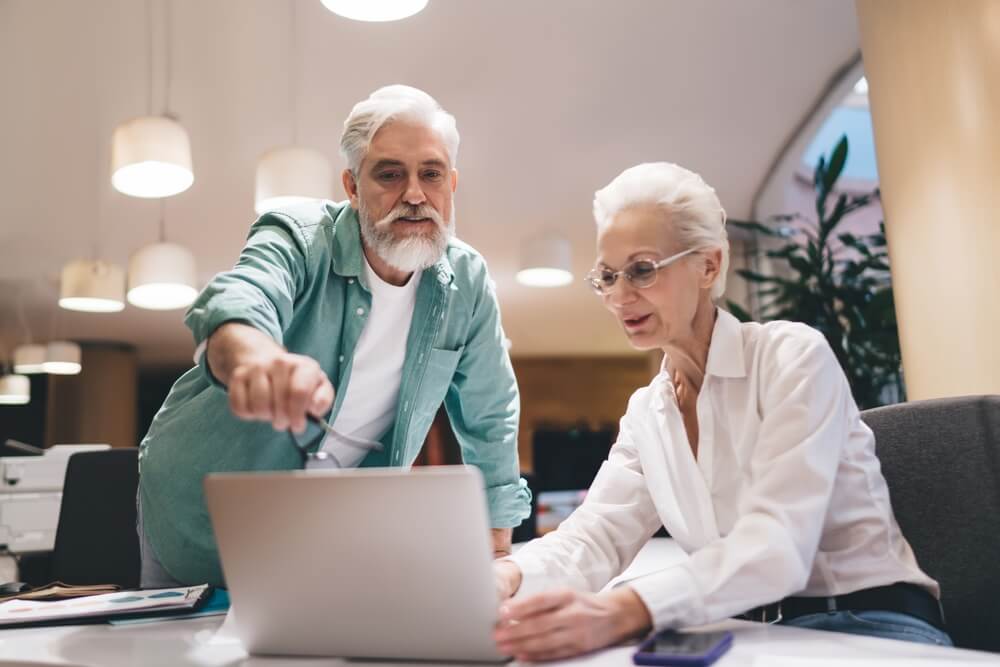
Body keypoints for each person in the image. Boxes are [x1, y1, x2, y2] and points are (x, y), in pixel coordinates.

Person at [492, 162, 951, 661]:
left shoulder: (791, 357)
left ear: (708, 266)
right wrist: (506, 575)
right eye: (607, 276)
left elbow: (778, 544)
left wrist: (624, 609)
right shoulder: (647, 411)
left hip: (869, 623)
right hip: (750, 633)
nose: (620, 296)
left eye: (642, 270)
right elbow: (596, 535)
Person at [137, 85, 530, 587]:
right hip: (197, 513)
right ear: (352, 186)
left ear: (451, 184)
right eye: (390, 174)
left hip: (327, 529)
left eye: (431, 174)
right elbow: (242, 295)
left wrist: (496, 539)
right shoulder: (300, 236)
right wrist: (257, 358)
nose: (414, 194)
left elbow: (490, 411)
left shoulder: (467, 282)